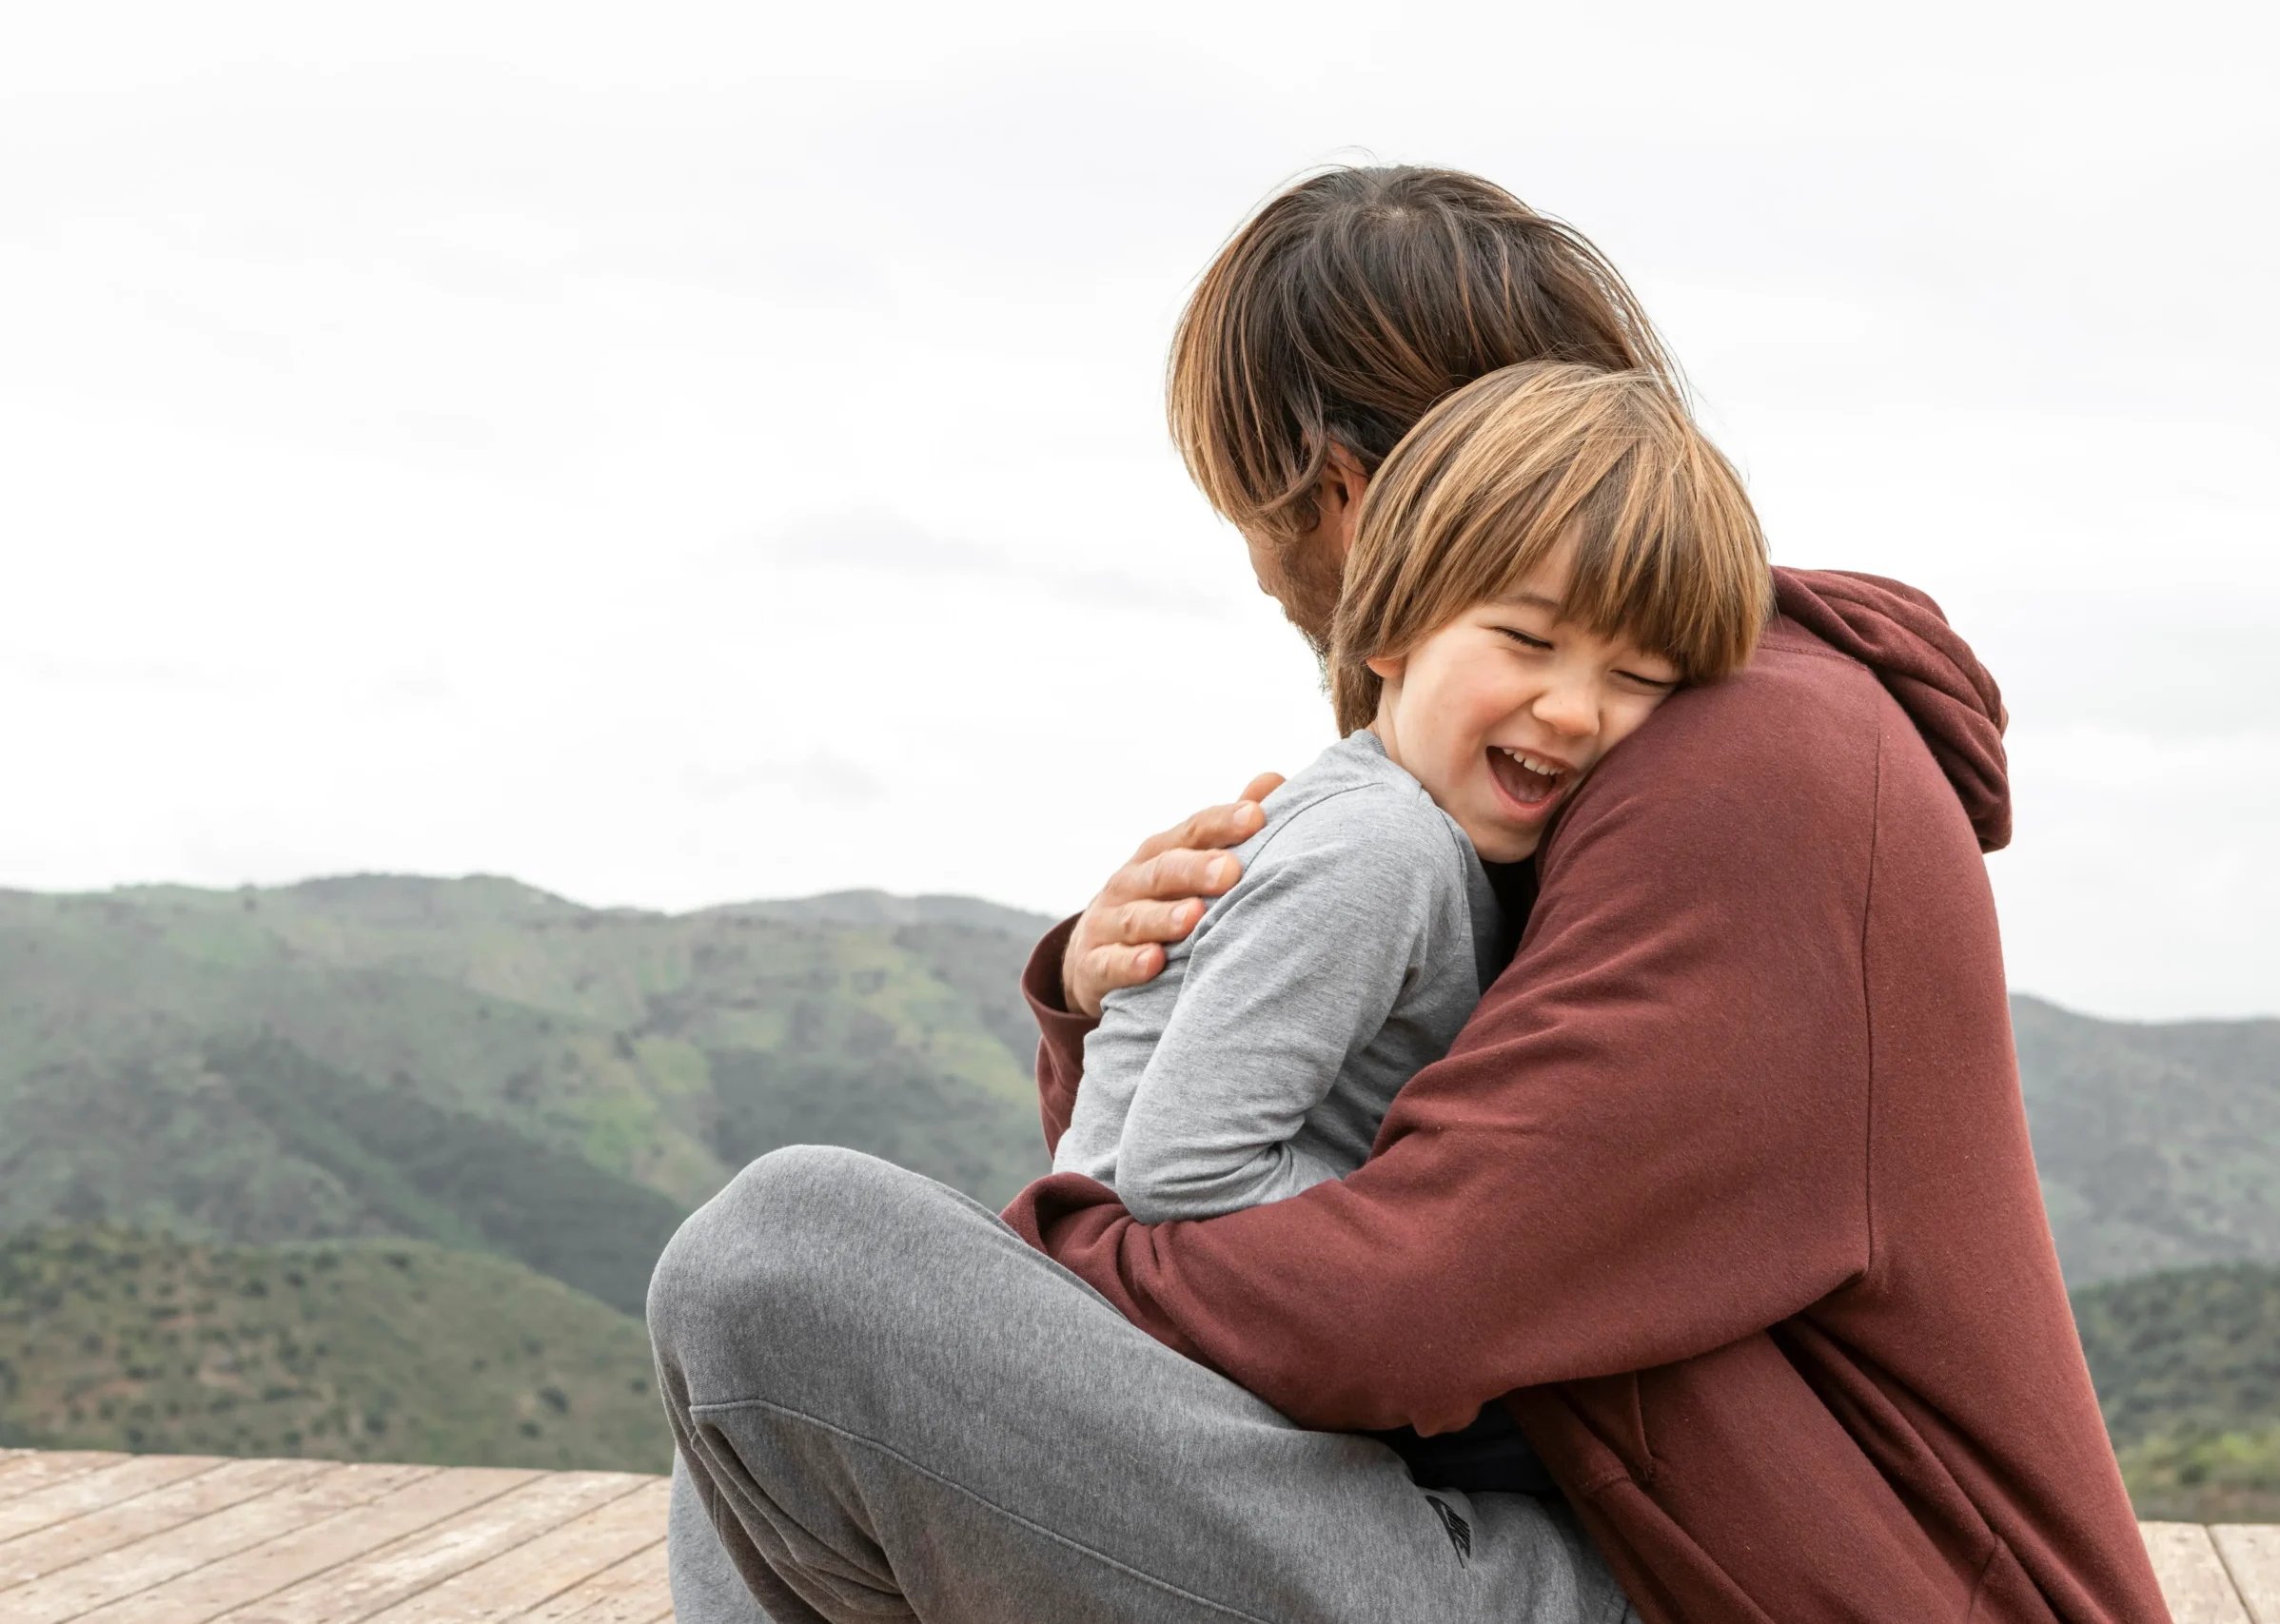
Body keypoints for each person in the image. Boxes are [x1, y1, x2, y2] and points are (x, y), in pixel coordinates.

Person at [648, 166, 2172, 1624]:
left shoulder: (1759, 760)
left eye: (1254, 512)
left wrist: (1044, 1258)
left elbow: (1403, 1297)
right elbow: (1332, 1207)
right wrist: (1133, 1009)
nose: (1266, 577)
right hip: (1602, 1529)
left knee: (786, 1261)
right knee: (784, 1378)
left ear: (1350, 494)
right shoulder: (1613, 754)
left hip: (1732, 1578)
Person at [1055, 362, 1768, 1494]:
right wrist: (1459, 1255)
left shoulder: (1431, 837)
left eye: (1638, 675)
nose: (1575, 710)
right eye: (1527, 641)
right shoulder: (1375, 852)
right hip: (1148, 1364)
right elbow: (1177, 1172)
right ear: (1388, 632)